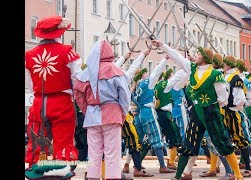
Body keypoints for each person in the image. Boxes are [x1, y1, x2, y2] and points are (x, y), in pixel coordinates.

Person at [152, 40, 244, 180]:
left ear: (205, 58)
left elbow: (223, 98)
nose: (196, 55)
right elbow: (177, 57)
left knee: (222, 142)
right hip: (196, 112)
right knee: (189, 143)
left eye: (199, 54)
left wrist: (211, 107)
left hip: (211, 112)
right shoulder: (192, 68)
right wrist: (162, 45)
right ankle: (181, 175)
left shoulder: (215, 75)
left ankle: (237, 175)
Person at [25, 15, 81, 179]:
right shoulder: (67, 52)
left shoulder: (29, 55)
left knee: (38, 142)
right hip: (62, 102)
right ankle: (59, 173)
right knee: (63, 142)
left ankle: (36, 172)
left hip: (39, 102)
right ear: (59, 32)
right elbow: (77, 81)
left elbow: (30, 85)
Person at [74, 40, 131, 179]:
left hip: (92, 116)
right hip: (112, 114)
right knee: (112, 153)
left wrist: (87, 111)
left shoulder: (86, 72)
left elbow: (78, 94)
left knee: (94, 154)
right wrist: (122, 113)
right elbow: (125, 96)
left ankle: (93, 177)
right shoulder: (116, 70)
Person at [132, 55, 175, 173]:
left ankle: (136, 165)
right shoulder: (147, 83)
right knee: (157, 139)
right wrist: (165, 59)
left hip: (140, 113)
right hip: (148, 112)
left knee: (142, 141)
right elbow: (156, 71)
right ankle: (162, 166)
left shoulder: (136, 87)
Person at [114, 49, 154, 177]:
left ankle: (100, 171)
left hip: (105, 114)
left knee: (108, 144)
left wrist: (124, 58)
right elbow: (132, 68)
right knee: (133, 140)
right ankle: (137, 169)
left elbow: (128, 68)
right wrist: (141, 55)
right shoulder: (120, 78)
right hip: (123, 114)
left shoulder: (101, 75)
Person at [236, 59, 251, 174]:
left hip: (240, 113)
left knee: (247, 138)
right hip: (228, 113)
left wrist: (243, 105)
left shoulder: (245, 81)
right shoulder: (227, 77)